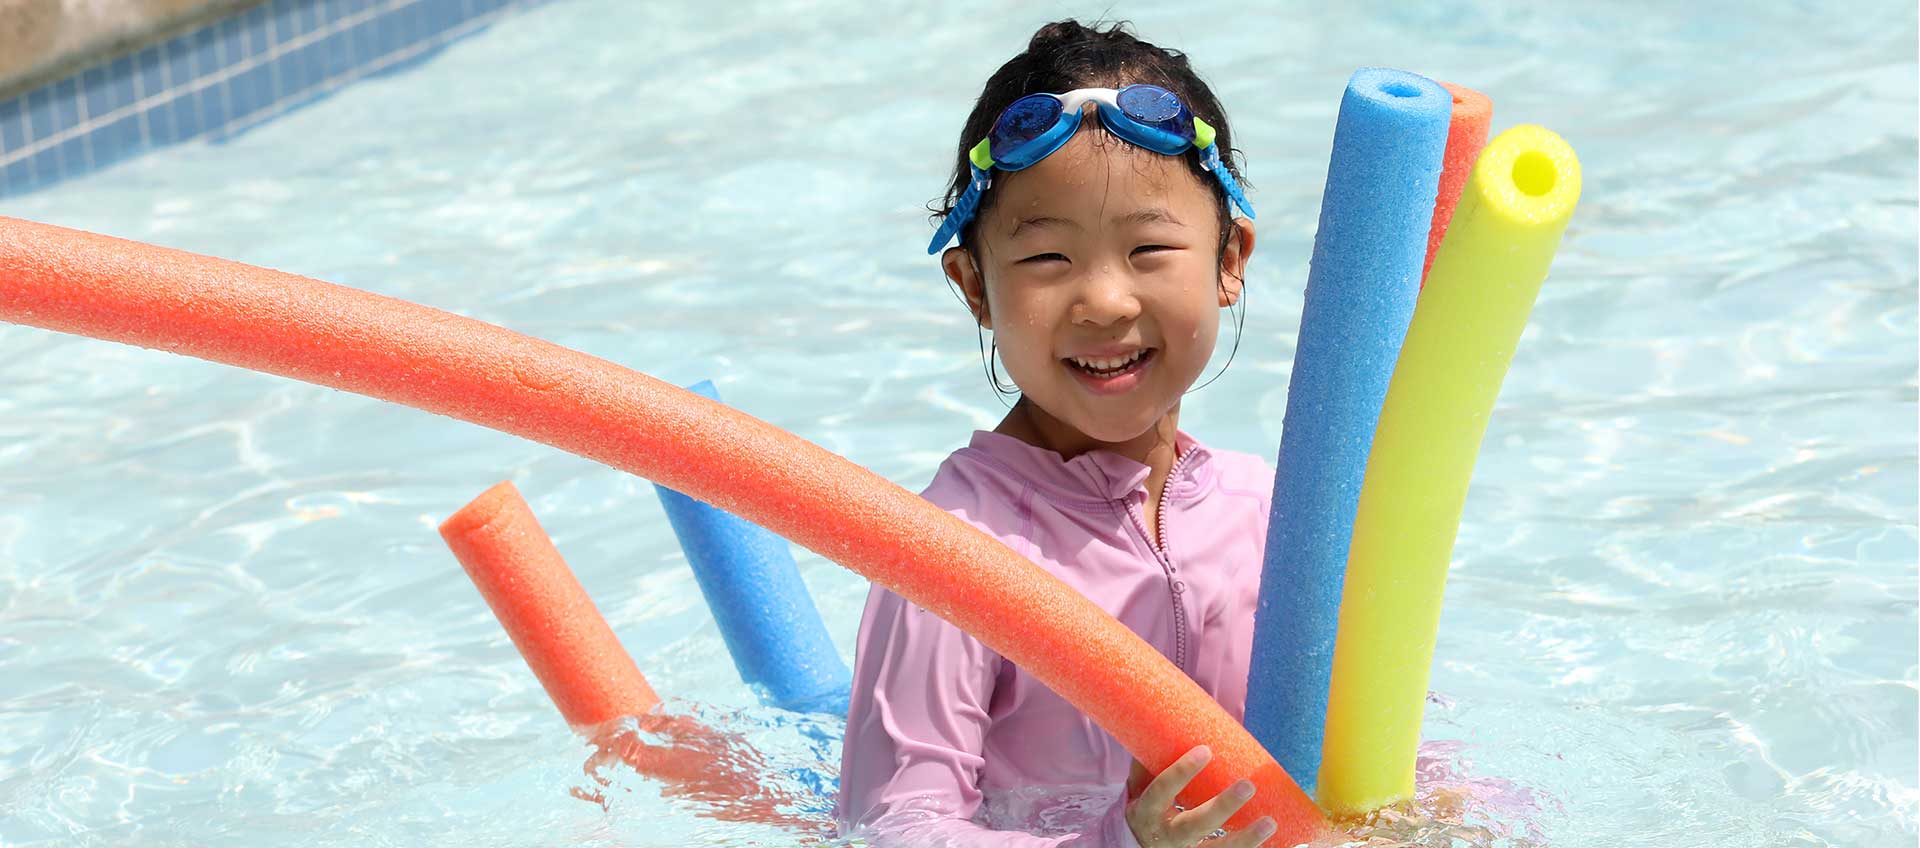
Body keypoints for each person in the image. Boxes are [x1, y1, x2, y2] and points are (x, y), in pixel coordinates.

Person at [834, 18, 1278, 848]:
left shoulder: (1266, 514)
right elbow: (893, 828)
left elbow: (1382, 748)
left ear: (1230, 261)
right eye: (1046, 261)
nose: (1105, 301)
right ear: (974, 287)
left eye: (1149, 247)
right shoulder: (953, 553)